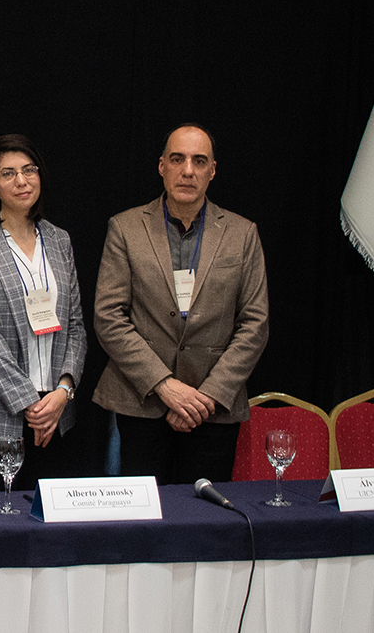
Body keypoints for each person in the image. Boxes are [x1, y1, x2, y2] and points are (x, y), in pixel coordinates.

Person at [93, 124, 269, 485]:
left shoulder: (242, 233)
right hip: (142, 403)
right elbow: (109, 317)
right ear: (162, 166)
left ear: (212, 170)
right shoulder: (125, 228)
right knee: (142, 523)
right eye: (177, 159)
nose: (187, 170)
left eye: (199, 161)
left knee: (207, 523)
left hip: (213, 409)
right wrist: (165, 386)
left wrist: (207, 396)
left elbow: (255, 323)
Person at [0, 134, 86, 493]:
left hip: (55, 414)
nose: (22, 181)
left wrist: (62, 392)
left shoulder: (59, 240)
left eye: (29, 170)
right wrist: (29, 402)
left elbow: (75, 326)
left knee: (44, 534)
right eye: (8, 174)